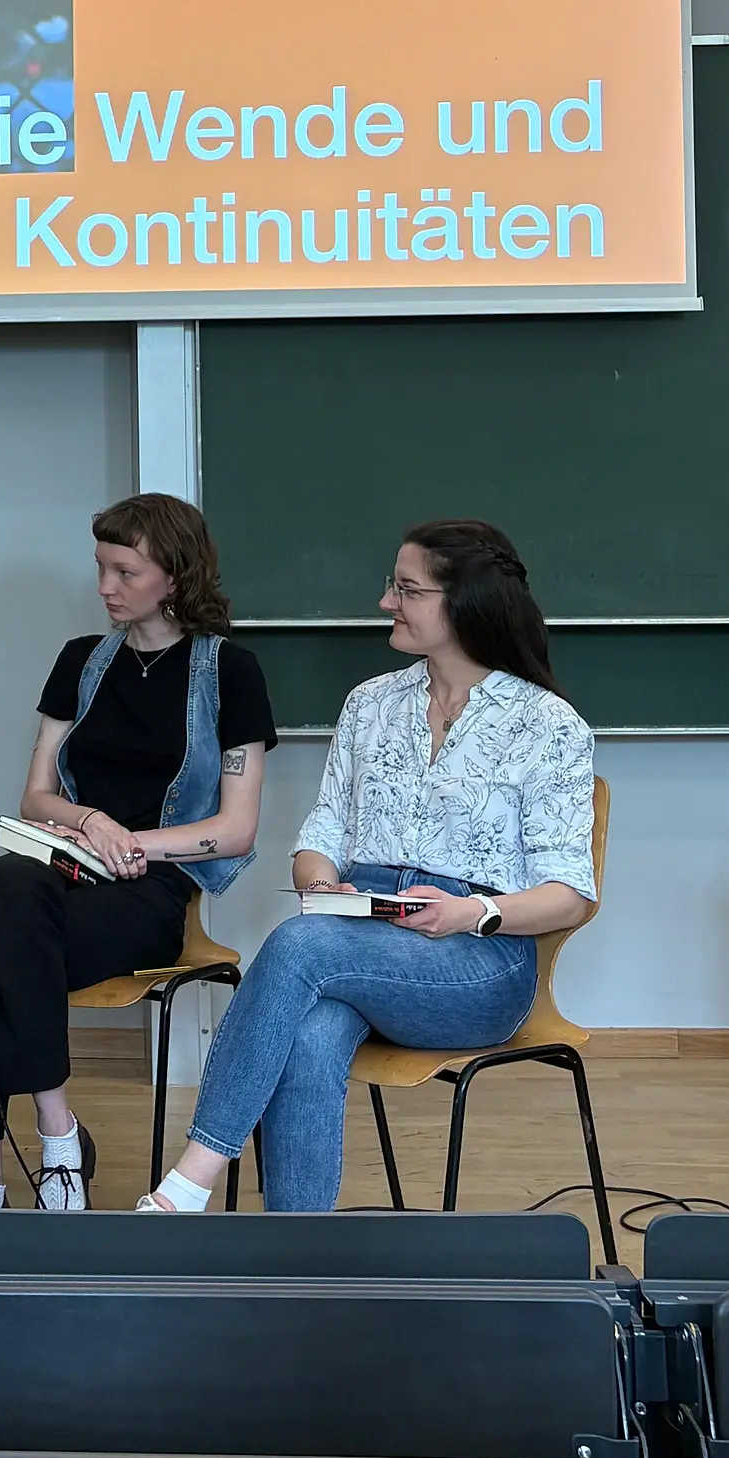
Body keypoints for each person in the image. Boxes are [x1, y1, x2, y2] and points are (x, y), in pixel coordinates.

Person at [140, 517, 597, 1216]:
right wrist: (323, 886)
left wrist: (470, 912)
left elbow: (570, 894)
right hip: (363, 929)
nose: (387, 602)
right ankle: (298, 1256)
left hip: (479, 957)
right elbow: (320, 834)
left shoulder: (549, 725)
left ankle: (188, 1182)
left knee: (299, 946)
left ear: (464, 603)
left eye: (407, 590)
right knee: (311, 1031)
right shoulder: (370, 704)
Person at [0, 493, 273, 1209]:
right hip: (63, 875)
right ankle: (56, 1131)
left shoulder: (230, 672)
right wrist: (89, 822)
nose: (105, 587)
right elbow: (36, 798)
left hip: (152, 892)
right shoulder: (81, 661)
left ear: (174, 575)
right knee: (7, 881)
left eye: (124, 572)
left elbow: (237, 829)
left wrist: (130, 842)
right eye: (101, 569)